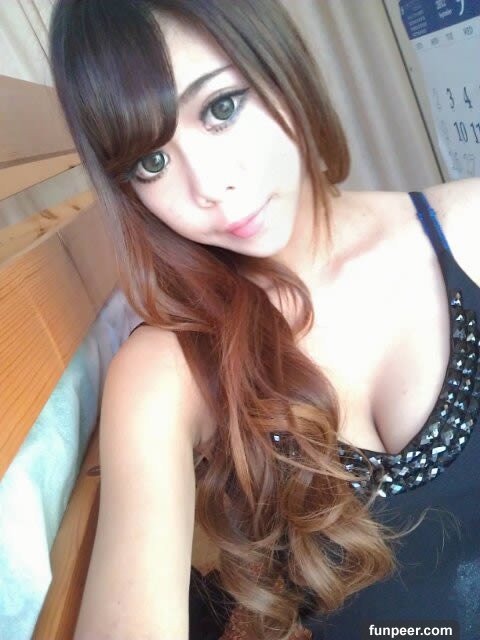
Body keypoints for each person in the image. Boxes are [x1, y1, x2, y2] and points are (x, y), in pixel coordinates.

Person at [48, 1, 480, 638]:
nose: (209, 186)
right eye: (151, 162)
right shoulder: (166, 370)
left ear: (279, 63)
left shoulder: (471, 229)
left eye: (221, 108)